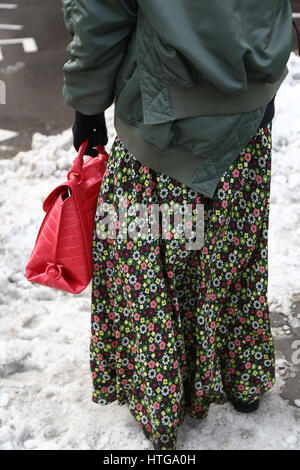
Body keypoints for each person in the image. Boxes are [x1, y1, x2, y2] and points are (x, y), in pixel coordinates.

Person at [61, 0, 293, 450]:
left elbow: (99, 15)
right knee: (232, 253)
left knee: (143, 263)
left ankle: (160, 400)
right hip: (249, 114)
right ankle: (241, 375)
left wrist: (87, 105)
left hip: (162, 121)